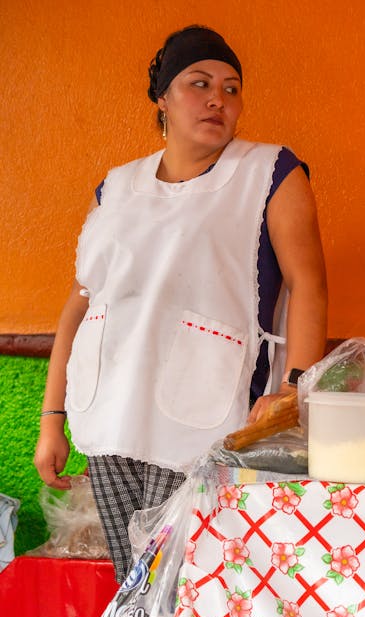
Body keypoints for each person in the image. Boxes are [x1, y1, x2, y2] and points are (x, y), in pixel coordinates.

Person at [33, 25, 327, 582]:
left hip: (209, 418)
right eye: (200, 83)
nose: (219, 99)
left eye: (232, 88)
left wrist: (294, 390)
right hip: (110, 415)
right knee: (136, 581)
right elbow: (81, 305)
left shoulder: (270, 173)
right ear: (163, 99)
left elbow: (309, 284)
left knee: (195, 583)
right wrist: (53, 418)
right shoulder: (117, 188)